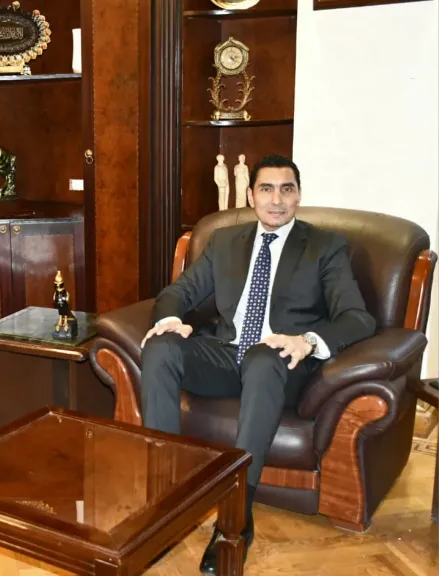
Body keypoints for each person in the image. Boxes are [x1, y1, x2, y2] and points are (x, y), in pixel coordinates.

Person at [139, 154, 375, 574]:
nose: (276, 200)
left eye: (286, 189)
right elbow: (177, 293)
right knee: (161, 347)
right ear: (251, 196)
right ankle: (165, 501)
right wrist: (170, 320)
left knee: (264, 358)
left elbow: (357, 317)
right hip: (226, 353)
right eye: (266, 189)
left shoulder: (325, 247)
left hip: (280, 364)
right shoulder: (225, 242)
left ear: (298, 196)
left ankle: (235, 518)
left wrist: (307, 342)